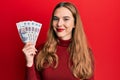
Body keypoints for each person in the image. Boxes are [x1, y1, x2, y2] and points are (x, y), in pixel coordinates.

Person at [22, 2, 94, 80]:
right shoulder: (40, 51)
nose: (59, 24)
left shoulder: (86, 54)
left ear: (75, 24)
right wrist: (29, 63)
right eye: (56, 19)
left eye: (66, 19)